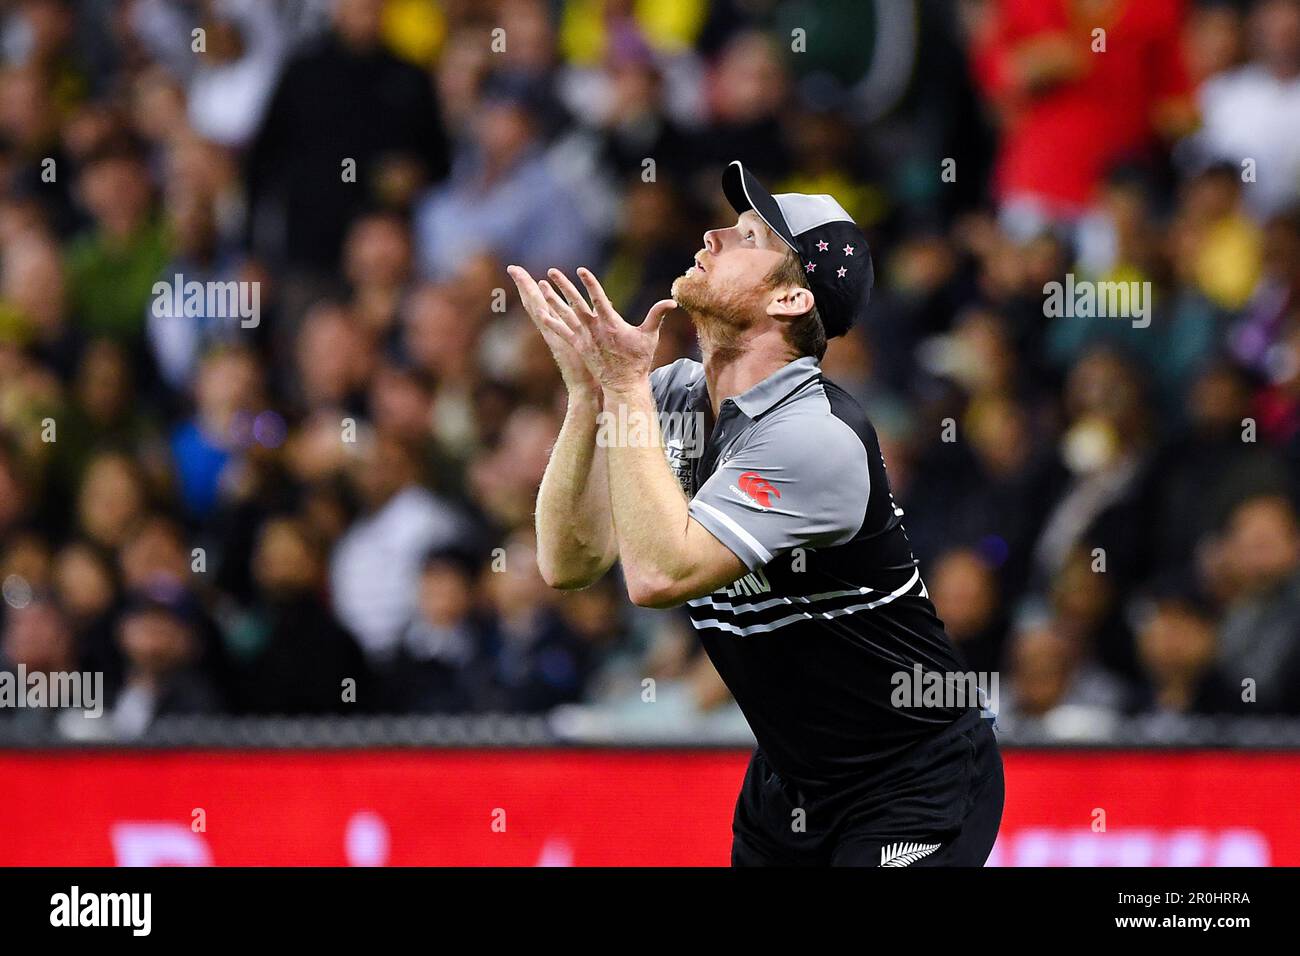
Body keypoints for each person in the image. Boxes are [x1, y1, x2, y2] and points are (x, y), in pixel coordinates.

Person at [509, 161, 1004, 867]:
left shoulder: (814, 437)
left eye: (747, 237)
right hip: (791, 785)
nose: (711, 235)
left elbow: (656, 575)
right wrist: (589, 397)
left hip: (913, 776)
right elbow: (570, 561)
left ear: (791, 301)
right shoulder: (671, 398)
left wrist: (621, 386)